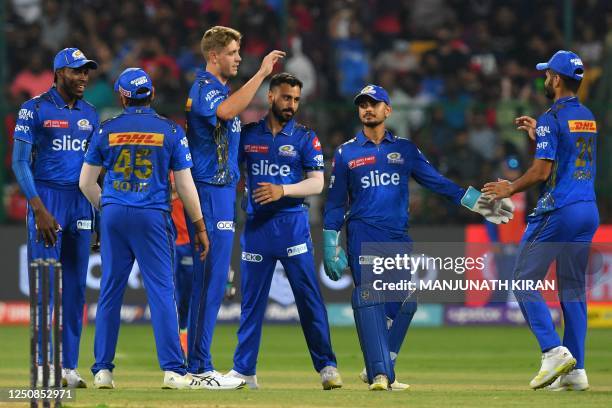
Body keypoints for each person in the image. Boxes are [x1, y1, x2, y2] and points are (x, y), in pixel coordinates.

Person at [323, 84, 514, 391]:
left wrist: (479, 203)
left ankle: (382, 363)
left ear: (389, 110)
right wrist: (331, 242)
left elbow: (438, 183)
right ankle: (381, 374)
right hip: (363, 233)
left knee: (405, 304)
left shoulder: (406, 150)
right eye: (363, 105)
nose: (368, 109)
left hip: (398, 237)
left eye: (374, 104)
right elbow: (334, 203)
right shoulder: (347, 152)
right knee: (370, 299)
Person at [79, 67, 244, 390]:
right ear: (151, 94)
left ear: (122, 97)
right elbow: (184, 186)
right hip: (152, 216)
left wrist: (108, 206)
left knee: (110, 293)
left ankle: (102, 371)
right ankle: (172, 371)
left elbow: (85, 182)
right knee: (162, 292)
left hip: (114, 214)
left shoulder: (105, 130)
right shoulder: (170, 131)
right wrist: (199, 226)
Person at [483, 50, 598, 391]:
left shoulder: (551, 116)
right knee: (574, 290)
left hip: (558, 210)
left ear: (557, 79)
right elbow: (570, 152)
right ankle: (576, 373)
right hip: (587, 209)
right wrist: (539, 134)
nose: (545, 79)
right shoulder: (588, 116)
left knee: (521, 280)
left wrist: (510, 188)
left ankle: (553, 351)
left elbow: (541, 171)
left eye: (547, 74)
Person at [225, 73, 342, 390]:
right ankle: (244, 371)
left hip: (292, 226)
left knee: (309, 299)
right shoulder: (248, 135)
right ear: (271, 96)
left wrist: (283, 190)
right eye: (286, 97)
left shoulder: (305, 137)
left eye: (296, 99)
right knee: (251, 303)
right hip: (257, 229)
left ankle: (327, 367)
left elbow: (317, 182)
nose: (292, 104)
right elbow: (230, 174)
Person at [184, 25, 284, 381]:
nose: (239, 58)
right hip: (208, 191)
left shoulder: (221, 91)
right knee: (208, 281)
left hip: (223, 193)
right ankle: (199, 367)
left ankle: (198, 365)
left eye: (240, 52)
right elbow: (225, 113)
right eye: (233, 52)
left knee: (212, 282)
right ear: (214, 56)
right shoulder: (204, 88)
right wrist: (261, 73)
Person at [12, 47, 99, 388]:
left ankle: (68, 368)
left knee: (76, 291)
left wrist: (96, 212)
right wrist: (38, 208)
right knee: (45, 291)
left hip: (80, 203)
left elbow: (96, 171)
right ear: (59, 72)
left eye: (86, 71)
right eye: (77, 71)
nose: (83, 77)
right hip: (46, 200)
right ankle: (41, 366)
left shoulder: (91, 114)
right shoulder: (33, 109)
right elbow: (19, 162)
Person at [169, 172, 193, 354]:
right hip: (173, 242)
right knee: (175, 295)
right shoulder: (169, 172)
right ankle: (176, 341)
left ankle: (187, 340)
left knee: (189, 295)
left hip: (190, 242)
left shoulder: (192, 173)